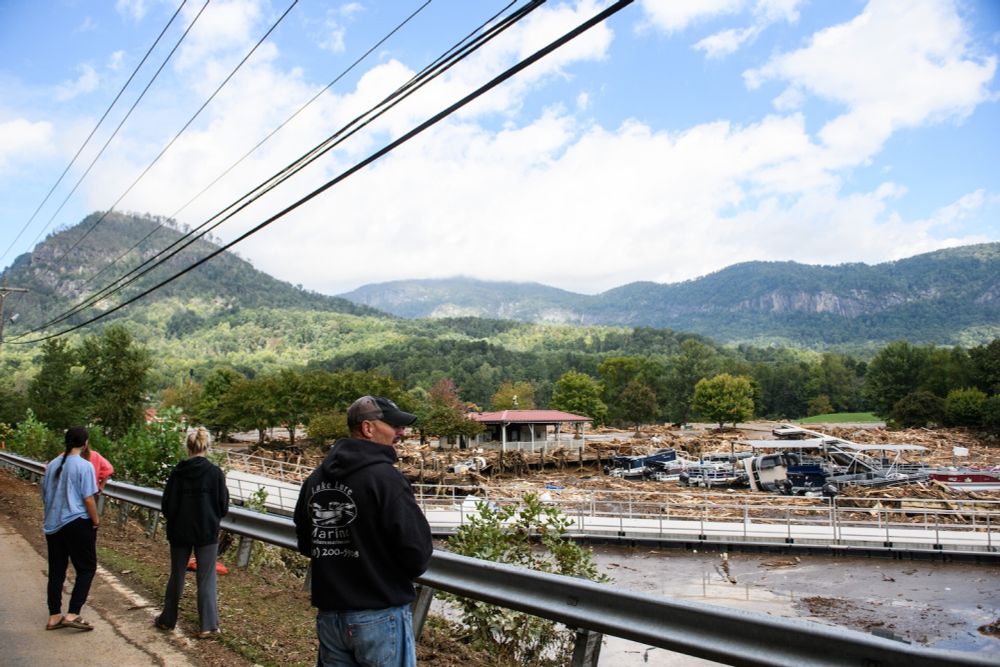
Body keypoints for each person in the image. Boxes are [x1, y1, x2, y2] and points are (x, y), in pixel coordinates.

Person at [294, 396, 433, 667]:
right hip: (380, 614)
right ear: (368, 428)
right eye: (394, 425)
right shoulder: (386, 479)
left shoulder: (315, 479)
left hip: (331, 615)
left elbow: (307, 544)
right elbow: (416, 553)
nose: (401, 432)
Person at [155, 427, 229, 638]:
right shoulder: (215, 473)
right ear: (207, 446)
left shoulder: (178, 473)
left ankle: (167, 620)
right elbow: (223, 506)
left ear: (188, 446)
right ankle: (208, 625)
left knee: (177, 575)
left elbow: (167, 504)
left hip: (179, 530)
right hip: (207, 531)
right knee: (206, 578)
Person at [42, 426, 100, 631]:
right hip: (77, 522)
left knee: (57, 570)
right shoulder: (85, 466)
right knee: (87, 568)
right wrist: (95, 521)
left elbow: (45, 496)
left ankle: (54, 615)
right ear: (85, 444)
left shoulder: (52, 465)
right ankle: (73, 612)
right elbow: (88, 499)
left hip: (53, 524)